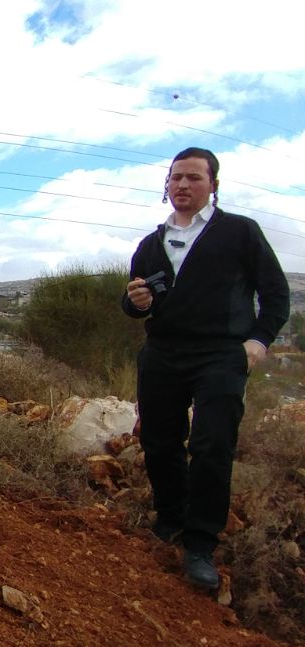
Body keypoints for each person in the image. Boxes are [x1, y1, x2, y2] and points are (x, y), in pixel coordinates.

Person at [122, 147, 289, 591]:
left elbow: (276, 294)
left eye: (194, 177)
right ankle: (171, 519)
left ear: (213, 185)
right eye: (176, 177)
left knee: (212, 443)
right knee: (159, 441)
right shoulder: (151, 243)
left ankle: (200, 543)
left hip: (221, 354)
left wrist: (258, 341)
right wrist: (135, 302)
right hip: (163, 352)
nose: (183, 185)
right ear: (166, 185)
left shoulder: (239, 232)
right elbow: (135, 302)